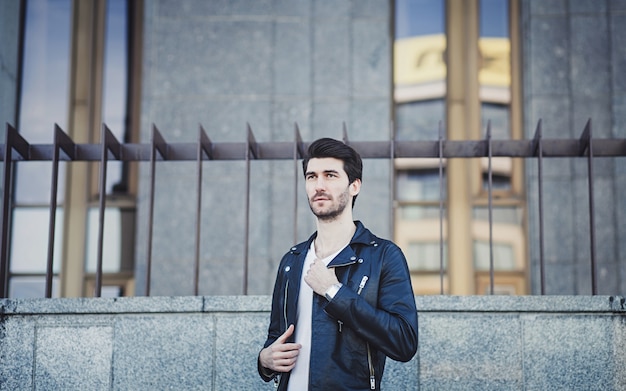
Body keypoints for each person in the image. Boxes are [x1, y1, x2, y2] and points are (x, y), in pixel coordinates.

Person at [258, 137, 419, 390]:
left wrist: (334, 292)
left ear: (354, 186)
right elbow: (275, 337)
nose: (318, 185)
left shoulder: (384, 256)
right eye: (311, 177)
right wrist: (264, 361)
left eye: (330, 175)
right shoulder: (293, 260)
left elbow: (404, 341)